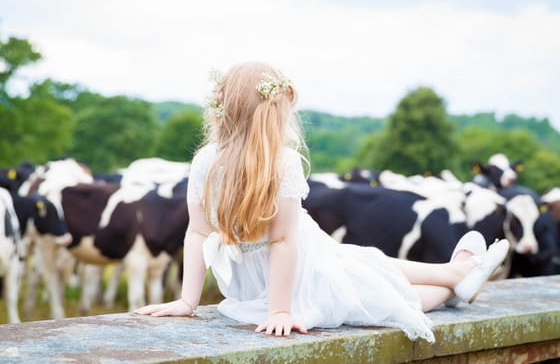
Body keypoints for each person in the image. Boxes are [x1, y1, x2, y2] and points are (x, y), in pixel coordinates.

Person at [133, 62, 510, 342]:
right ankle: (457, 280)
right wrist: (280, 308)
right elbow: (280, 240)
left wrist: (188, 300)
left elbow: (198, 233)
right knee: (389, 297)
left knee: (368, 265)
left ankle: (456, 272)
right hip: (295, 276)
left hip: (283, 270)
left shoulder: (206, 160)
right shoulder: (282, 160)